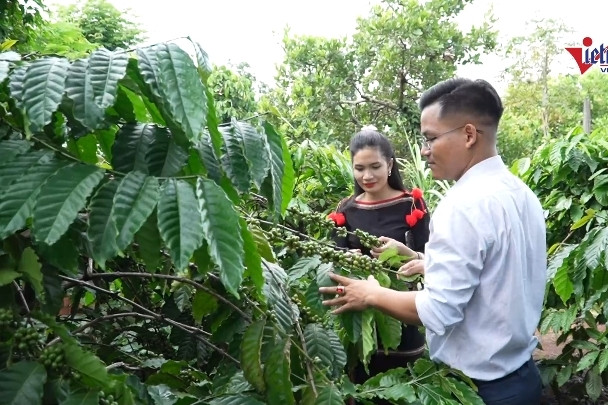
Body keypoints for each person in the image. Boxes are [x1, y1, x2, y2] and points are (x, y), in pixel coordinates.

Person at [320, 78, 547, 405]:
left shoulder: (461, 206)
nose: (425, 151)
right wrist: (428, 262)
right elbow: (502, 268)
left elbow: (438, 312)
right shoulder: (521, 194)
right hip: (522, 378)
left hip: (476, 389)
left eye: (430, 138)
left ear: (469, 135)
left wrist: (372, 293)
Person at [328, 128, 430, 403]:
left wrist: (406, 254)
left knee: (403, 389)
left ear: (390, 165)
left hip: (402, 310)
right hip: (358, 316)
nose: (367, 176)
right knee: (363, 390)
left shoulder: (411, 204)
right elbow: (333, 256)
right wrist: (348, 260)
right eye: (359, 168)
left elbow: (430, 255)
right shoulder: (345, 208)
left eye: (375, 167)